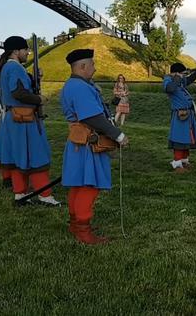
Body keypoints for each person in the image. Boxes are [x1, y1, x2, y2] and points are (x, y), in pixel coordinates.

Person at [61, 49, 128, 245]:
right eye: (92, 64)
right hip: (87, 143)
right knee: (89, 186)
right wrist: (118, 134)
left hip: (79, 142)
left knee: (79, 185)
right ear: (82, 67)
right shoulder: (80, 87)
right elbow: (92, 117)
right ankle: (83, 229)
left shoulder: (75, 85)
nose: (95, 68)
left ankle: (76, 225)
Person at [0, 36, 60, 206]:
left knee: (18, 157)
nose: (28, 52)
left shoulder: (8, 67)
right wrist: (39, 99)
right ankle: (44, 195)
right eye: (25, 50)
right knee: (36, 155)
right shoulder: (14, 68)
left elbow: (21, 88)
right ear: (16, 51)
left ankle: (20, 193)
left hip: (13, 118)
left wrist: (35, 79)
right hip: (23, 118)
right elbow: (19, 93)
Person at [163, 63, 196, 173]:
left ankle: (184, 161)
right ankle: (177, 164)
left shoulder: (179, 81)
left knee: (187, 138)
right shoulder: (168, 80)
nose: (183, 75)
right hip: (180, 114)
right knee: (179, 139)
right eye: (181, 73)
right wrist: (177, 77)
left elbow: (188, 80)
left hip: (188, 114)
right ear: (176, 73)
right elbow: (169, 89)